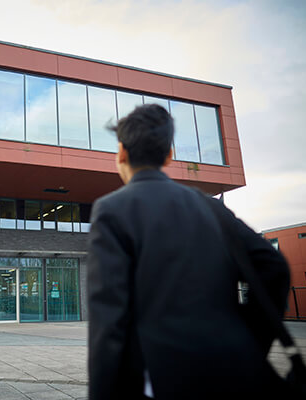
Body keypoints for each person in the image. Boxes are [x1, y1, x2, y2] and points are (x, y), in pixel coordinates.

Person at [87, 104, 290, 399]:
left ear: (121, 153)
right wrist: (249, 339)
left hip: (163, 378)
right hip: (237, 372)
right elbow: (274, 267)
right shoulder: (210, 205)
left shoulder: (112, 210)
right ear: (169, 154)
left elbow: (108, 320)